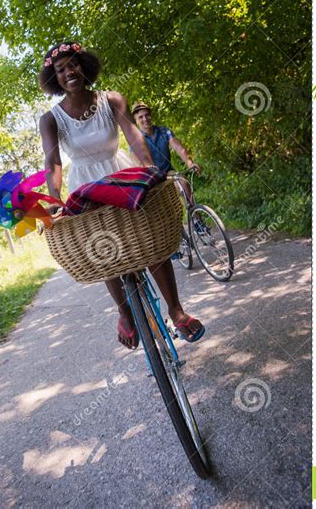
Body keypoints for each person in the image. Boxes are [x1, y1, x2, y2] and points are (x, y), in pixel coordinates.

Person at [38, 41, 205, 349]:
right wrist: (53, 202)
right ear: (54, 79)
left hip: (121, 173)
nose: (68, 72)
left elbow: (133, 135)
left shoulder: (110, 99)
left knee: (150, 236)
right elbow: (53, 163)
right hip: (85, 184)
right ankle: (125, 312)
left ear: (84, 66)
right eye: (60, 70)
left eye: (72, 64)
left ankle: (176, 310)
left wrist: (150, 169)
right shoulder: (51, 119)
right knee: (101, 246)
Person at [131, 101, 201, 203]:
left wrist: (189, 163)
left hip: (167, 172)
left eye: (147, 115)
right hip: (151, 178)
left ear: (151, 115)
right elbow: (136, 163)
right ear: (136, 120)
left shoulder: (163, 131)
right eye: (141, 117)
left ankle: (195, 216)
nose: (145, 119)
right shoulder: (135, 140)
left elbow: (178, 147)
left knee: (183, 182)